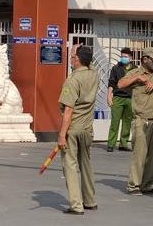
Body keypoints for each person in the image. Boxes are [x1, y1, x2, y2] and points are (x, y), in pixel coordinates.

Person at [118, 47, 153, 195]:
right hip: (142, 119)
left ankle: (147, 185)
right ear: (145, 59)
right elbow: (120, 84)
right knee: (139, 154)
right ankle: (133, 185)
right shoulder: (136, 73)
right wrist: (136, 79)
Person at [58, 45, 99, 215]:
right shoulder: (94, 74)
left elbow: (68, 110)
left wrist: (61, 135)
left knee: (70, 164)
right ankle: (90, 200)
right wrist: (80, 51)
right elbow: (89, 64)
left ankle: (76, 205)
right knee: (86, 163)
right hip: (87, 126)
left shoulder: (73, 80)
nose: (71, 59)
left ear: (77, 59)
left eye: (73, 56)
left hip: (73, 128)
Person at [107, 47, 136, 152]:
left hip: (130, 98)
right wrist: (109, 96)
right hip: (118, 97)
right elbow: (111, 83)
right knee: (115, 121)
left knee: (127, 122)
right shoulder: (116, 68)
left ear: (131, 58)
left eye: (126, 57)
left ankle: (123, 144)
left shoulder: (135, 69)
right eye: (122, 56)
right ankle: (111, 144)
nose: (123, 58)